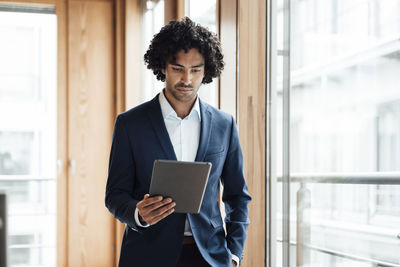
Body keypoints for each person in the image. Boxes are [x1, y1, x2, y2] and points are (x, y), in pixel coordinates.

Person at [105, 17, 251, 267]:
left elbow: (237, 196)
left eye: (195, 69)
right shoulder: (130, 124)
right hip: (146, 255)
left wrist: (234, 254)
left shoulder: (224, 124)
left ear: (206, 70)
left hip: (210, 257)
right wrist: (138, 214)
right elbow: (115, 195)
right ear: (162, 67)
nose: (187, 79)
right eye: (177, 68)